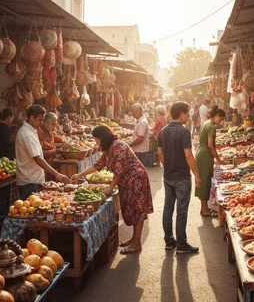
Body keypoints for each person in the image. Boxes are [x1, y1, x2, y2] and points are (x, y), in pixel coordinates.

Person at [71, 124, 153, 254]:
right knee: (132, 208)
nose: (96, 142)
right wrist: (79, 175)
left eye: (97, 139)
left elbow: (118, 172)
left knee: (138, 209)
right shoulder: (109, 149)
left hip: (136, 179)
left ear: (103, 137)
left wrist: (110, 187)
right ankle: (134, 239)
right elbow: (98, 165)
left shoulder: (117, 146)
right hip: (127, 181)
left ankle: (137, 243)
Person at [157, 101, 202, 254]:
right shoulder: (183, 132)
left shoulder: (163, 131)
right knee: (181, 211)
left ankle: (169, 241)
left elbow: (160, 153)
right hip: (182, 177)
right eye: (187, 113)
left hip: (168, 176)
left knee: (168, 208)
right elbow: (188, 154)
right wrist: (197, 174)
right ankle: (181, 244)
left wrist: (167, 166)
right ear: (182, 114)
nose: (188, 116)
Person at [15, 104, 69, 200]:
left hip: (34, 178)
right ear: (32, 118)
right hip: (29, 180)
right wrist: (56, 174)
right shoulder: (27, 134)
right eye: (40, 120)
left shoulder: (32, 130)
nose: (41, 123)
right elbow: (38, 158)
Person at [195, 105, 226, 216]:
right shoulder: (211, 127)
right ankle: (205, 210)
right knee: (205, 181)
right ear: (217, 116)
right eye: (221, 119)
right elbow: (210, 146)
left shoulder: (206, 123)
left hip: (201, 153)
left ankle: (204, 207)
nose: (221, 122)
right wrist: (219, 159)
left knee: (203, 180)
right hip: (205, 155)